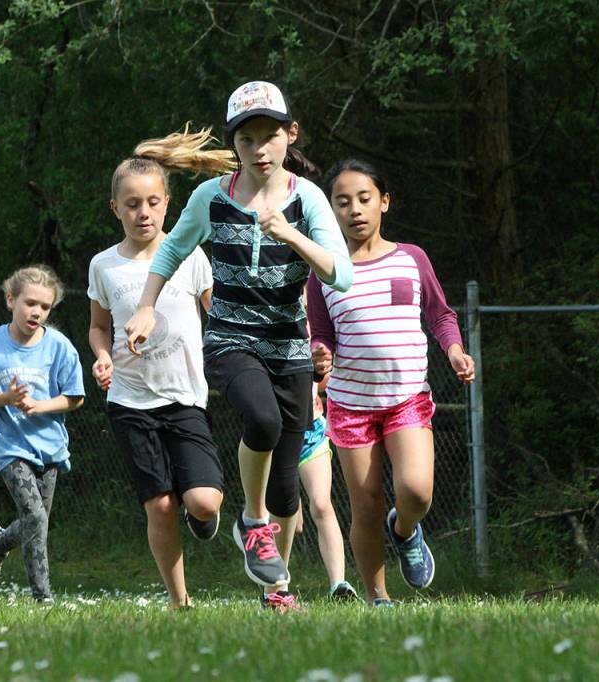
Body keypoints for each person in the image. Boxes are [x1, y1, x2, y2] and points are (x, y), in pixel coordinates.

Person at [123, 81, 353, 611]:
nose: (259, 149)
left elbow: (341, 275)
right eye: (246, 140)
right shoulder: (211, 198)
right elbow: (170, 252)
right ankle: (251, 523)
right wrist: (145, 306)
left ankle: (278, 589)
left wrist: (292, 236)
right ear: (235, 147)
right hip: (232, 338)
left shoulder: (309, 198)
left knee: (288, 496)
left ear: (289, 135)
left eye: (269, 137)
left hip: (290, 346)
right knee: (262, 421)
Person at [307, 159, 475, 605]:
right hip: (350, 404)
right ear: (331, 210)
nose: (355, 210)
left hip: (406, 397)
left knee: (416, 491)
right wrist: (319, 355)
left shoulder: (411, 258)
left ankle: (404, 529)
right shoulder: (323, 271)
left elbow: (439, 315)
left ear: (384, 202)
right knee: (365, 505)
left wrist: (454, 350)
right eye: (342, 202)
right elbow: (321, 335)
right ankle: (378, 598)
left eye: (364, 199)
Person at [88, 155, 223, 609]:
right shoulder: (103, 266)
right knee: (161, 506)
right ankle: (179, 599)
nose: (142, 212)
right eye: (131, 204)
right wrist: (103, 356)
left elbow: (218, 314)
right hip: (129, 402)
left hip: (185, 398)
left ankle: (203, 517)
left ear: (168, 204)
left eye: (151, 202)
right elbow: (98, 326)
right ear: (115, 209)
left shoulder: (191, 256)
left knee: (204, 502)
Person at [0, 265, 84, 603]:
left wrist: (39, 406)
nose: (37, 312)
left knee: (36, 522)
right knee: (34, 516)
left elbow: (75, 396)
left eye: (45, 307)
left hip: (50, 448)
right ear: (10, 300)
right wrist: (6, 399)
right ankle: (42, 596)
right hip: (11, 447)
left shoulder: (59, 346)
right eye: (30, 303)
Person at [295, 374, 359, 600]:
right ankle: (273, 588)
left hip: (311, 431)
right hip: (276, 434)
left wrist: (322, 377)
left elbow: (324, 378)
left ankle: (338, 585)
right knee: (294, 525)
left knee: (321, 504)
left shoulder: (315, 338)